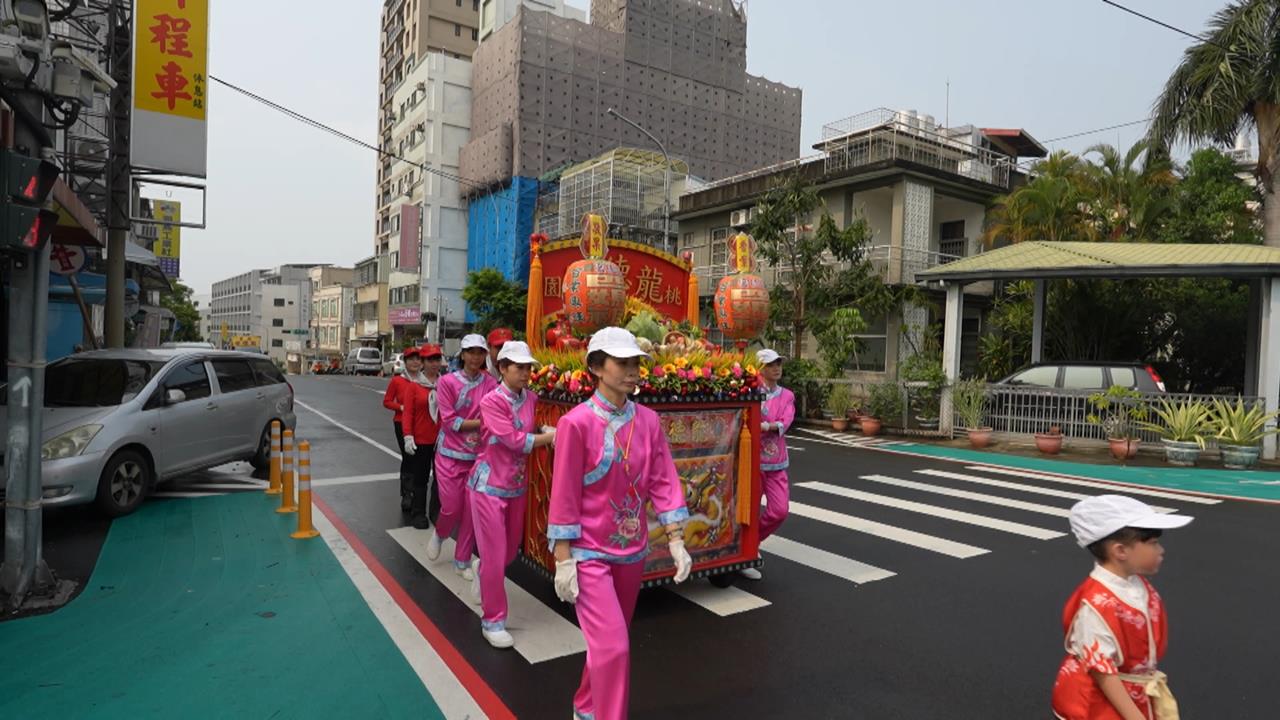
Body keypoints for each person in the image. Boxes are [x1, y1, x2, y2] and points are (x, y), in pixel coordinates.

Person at [548, 326, 692, 720]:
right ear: (596, 366)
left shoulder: (647, 421)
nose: (632, 371)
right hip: (590, 552)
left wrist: (676, 539)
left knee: (607, 644)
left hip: (632, 552)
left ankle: (585, 707)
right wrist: (564, 560)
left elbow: (663, 479)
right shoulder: (575, 424)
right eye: (622, 363)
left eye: (635, 363)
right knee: (614, 647)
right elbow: (563, 496)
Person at [1051, 495, 1193, 720]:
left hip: (1134, 691)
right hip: (1100, 704)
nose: (1161, 550)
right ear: (1120, 551)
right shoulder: (1096, 605)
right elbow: (1102, 671)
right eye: (1153, 543)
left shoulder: (1134, 585)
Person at [468, 340, 557, 648]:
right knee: (495, 556)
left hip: (516, 486)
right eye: (518, 367)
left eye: (528, 367)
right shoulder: (492, 402)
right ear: (502, 368)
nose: (525, 373)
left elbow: (533, 426)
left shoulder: (531, 398)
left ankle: (483, 570)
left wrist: (546, 429)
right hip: (488, 486)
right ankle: (492, 620)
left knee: (508, 554)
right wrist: (549, 438)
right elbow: (515, 441)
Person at [425, 334, 498, 581]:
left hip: (477, 457)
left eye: (480, 352)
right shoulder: (446, 382)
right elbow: (451, 421)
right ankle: (440, 533)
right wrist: (484, 423)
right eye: (471, 352)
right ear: (463, 354)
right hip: (448, 455)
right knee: (452, 506)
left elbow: (501, 410)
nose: (476, 357)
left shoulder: (491, 384)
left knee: (471, 511)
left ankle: (462, 559)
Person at [740, 348, 796, 581]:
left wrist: (767, 426)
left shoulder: (787, 396)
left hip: (775, 462)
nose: (777, 368)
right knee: (748, 511)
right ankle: (746, 553)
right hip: (751, 462)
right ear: (760, 368)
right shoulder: (750, 391)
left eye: (779, 363)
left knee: (780, 511)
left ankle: (752, 542)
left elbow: (786, 420)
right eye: (771, 364)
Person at [401, 344, 446, 529]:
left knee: (440, 478)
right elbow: (408, 414)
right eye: (430, 360)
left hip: (441, 440)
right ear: (423, 362)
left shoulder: (445, 384)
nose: (434, 364)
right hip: (421, 440)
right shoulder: (414, 387)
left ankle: (436, 513)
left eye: (437, 359)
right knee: (420, 478)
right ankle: (418, 513)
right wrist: (408, 436)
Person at [383, 346, 420, 513]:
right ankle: (406, 494)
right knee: (408, 457)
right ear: (405, 362)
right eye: (411, 359)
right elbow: (387, 401)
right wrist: (402, 407)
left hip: (420, 423)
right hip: (401, 423)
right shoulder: (397, 381)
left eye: (418, 359)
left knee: (420, 458)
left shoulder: (425, 380)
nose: (415, 362)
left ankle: (418, 493)